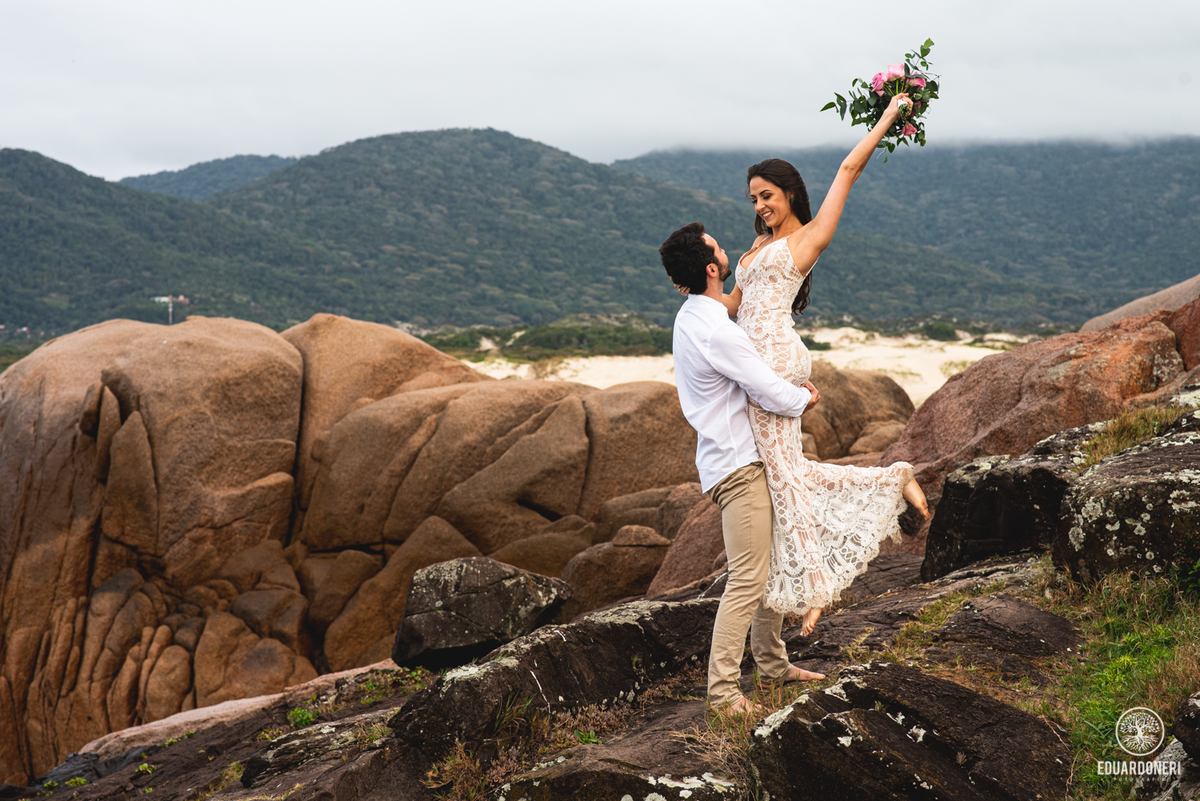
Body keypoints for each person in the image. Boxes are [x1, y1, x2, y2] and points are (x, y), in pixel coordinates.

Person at [718, 93, 931, 638]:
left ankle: (815, 589)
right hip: (755, 363)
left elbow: (848, 168)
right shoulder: (756, 246)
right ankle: (892, 478)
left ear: (791, 194)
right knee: (788, 472)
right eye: (753, 199)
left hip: (775, 362)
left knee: (785, 477)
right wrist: (695, 295)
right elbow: (733, 308)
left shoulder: (809, 239)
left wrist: (889, 114)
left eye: (767, 195)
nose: (760, 205)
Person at [659, 222, 826, 715]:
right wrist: (804, 398)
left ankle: (773, 664)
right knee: (748, 578)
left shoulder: (694, 314)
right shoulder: (715, 332)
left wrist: (758, 252)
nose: (726, 246)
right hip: (740, 468)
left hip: (725, 461)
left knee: (764, 564)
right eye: (719, 247)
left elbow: (734, 300)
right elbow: (767, 389)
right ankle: (724, 693)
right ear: (711, 268)